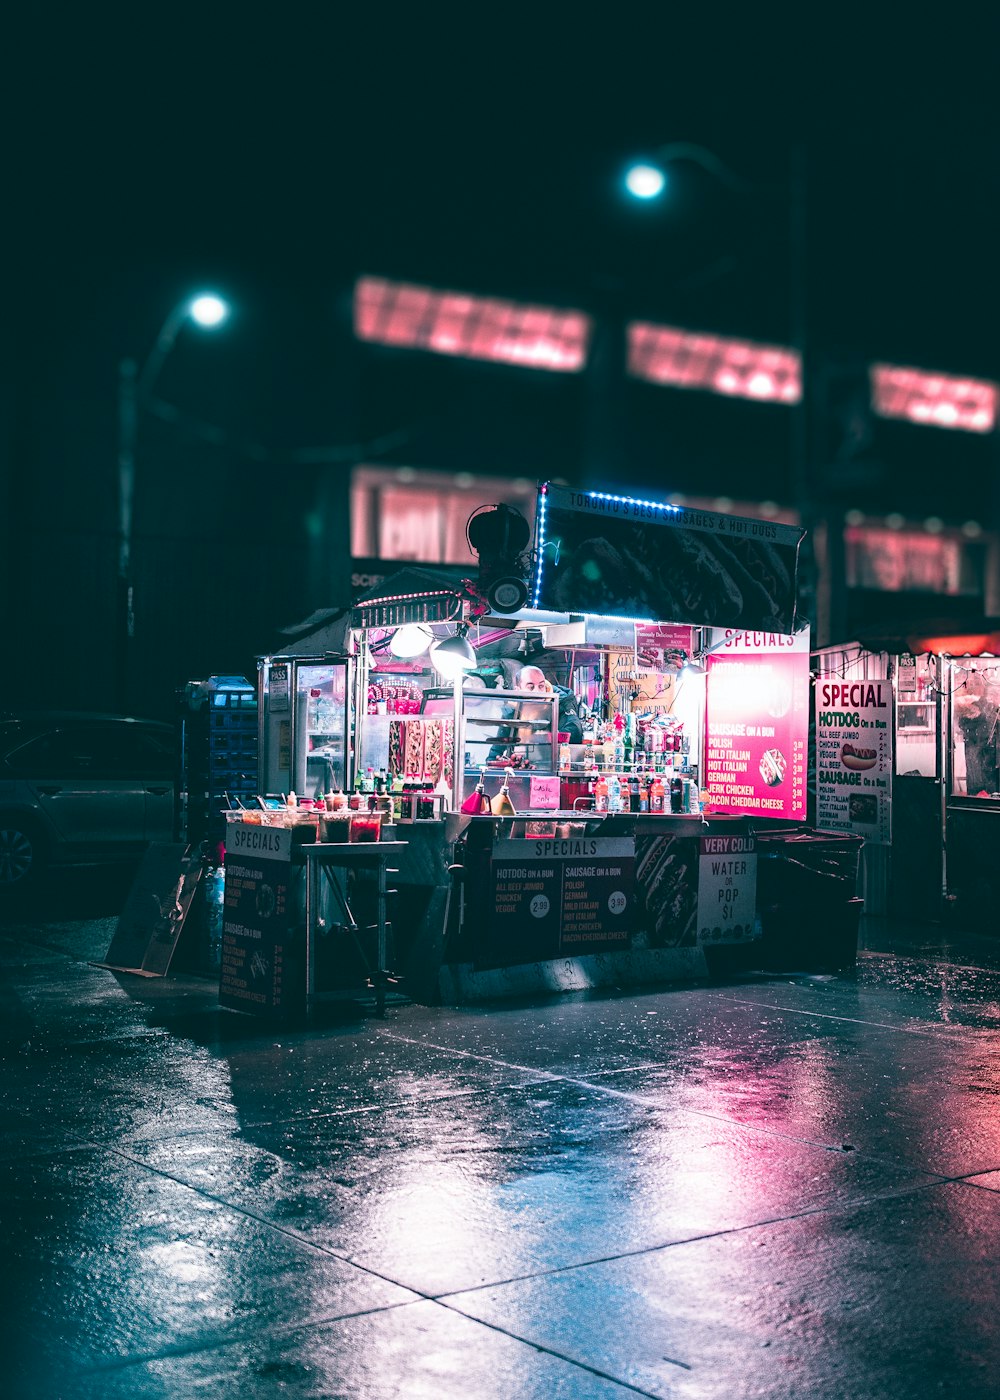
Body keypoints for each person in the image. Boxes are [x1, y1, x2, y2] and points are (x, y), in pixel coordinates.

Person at [954, 671, 1000, 796]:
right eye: (994, 692)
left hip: (994, 764)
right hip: (980, 762)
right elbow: (964, 724)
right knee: (979, 796)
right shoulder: (979, 708)